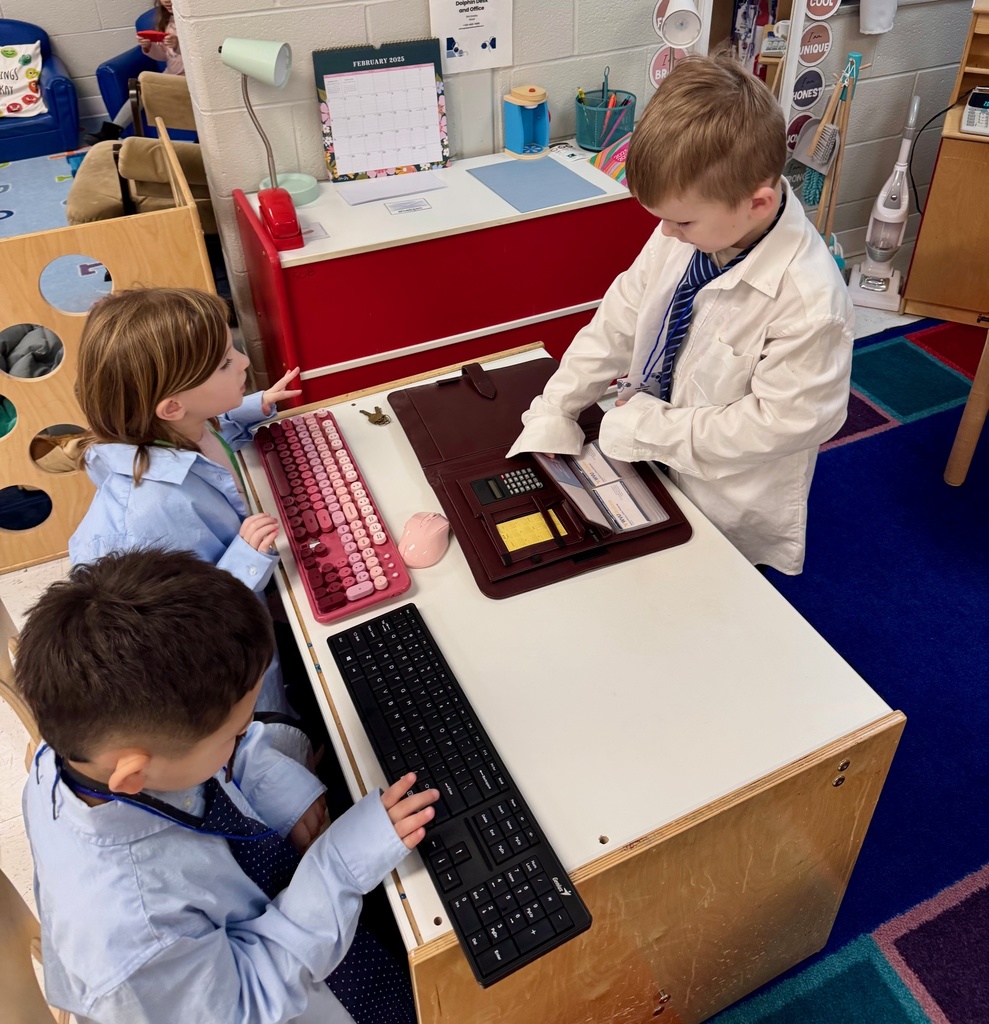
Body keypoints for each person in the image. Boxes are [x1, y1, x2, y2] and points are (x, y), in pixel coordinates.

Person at [18, 549, 439, 1024]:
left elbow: (216, 759)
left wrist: (271, 779)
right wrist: (338, 866)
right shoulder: (130, 939)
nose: (245, 734)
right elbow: (251, 1001)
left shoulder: (79, 748)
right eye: (235, 734)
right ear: (134, 774)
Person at [507, 52, 854, 575]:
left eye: (682, 221)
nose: (665, 233)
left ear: (757, 204)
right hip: (646, 446)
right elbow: (619, 319)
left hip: (724, 492)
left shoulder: (809, 301)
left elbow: (785, 423)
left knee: (705, 594)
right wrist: (557, 406)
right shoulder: (694, 227)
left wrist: (654, 431)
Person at [69, 286, 301, 714]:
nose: (246, 362)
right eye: (226, 363)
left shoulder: (178, 428)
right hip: (226, 677)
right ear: (171, 407)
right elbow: (191, 624)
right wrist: (246, 557)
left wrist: (253, 406)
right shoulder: (153, 511)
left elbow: (212, 436)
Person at [84, 0, 184, 145]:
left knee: (145, 84)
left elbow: (196, 54)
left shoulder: (190, 20)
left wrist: (178, 44)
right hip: (171, 75)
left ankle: (112, 130)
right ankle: (112, 130)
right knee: (141, 86)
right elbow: (164, 55)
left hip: (187, 78)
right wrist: (149, 46)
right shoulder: (167, 20)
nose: (167, 1)